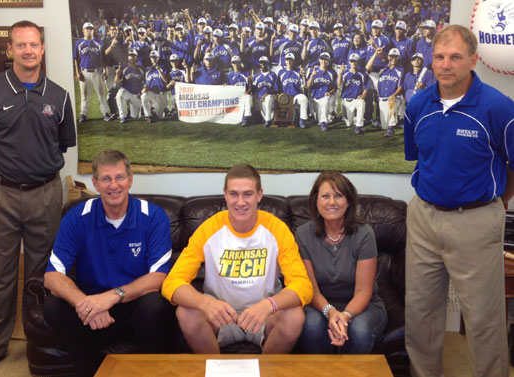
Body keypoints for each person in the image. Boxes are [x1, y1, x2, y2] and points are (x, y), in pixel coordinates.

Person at [0, 20, 76, 377]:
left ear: (43, 49)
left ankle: (38, 338)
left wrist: (31, 174)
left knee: (43, 273)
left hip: (44, 192)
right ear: (9, 50)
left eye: (34, 44)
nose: (29, 51)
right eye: (21, 45)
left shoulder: (59, 96)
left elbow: (59, 145)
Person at [403, 24, 514, 377]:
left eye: (455, 57)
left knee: (483, 319)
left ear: (473, 60)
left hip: (475, 221)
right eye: (439, 57)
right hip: (423, 218)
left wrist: (500, 201)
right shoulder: (418, 104)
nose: (445, 64)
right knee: (421, 315)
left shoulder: (499, 108)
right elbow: (420, 158)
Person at [43, 150, 175, 377]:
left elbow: (159, 278)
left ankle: (149, 372)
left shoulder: (153, 216)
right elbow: (52, 276)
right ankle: (92, 372)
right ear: (95, 183)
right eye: (105, 179)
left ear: (130, 179)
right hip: (91, 311)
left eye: (120, 177)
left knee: (156, 304)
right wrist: (85, 304)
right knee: (52, 306)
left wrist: (111, 297)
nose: (114, 185)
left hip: (135, 308)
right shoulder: (76, 216)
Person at [161, 163, 313, 354]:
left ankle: (267, 371)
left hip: (264, 314)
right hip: (220, 314)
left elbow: (302, 285)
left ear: (259, 195)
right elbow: (172, 282)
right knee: (185, 312)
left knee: (294, 316)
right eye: (234, 194)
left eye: (247, 194)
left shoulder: (277, 229)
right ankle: (215, 370)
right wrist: (205, 303)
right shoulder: (209, 229)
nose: (240, 202)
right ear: (225, 194)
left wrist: (269, 305)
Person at [296, 171, 387, 354]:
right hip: (319, 305)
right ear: (316, 201)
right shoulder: (303, 234)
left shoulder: (364, 234)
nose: (332, 202)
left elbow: (363, 291)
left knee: (359, 331)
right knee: (312, 327)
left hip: (362, 306)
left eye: (339, 196)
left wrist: (344, 316)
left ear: (349, 201)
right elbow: (311, 289)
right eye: (325, 196)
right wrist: (330, 312)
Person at [74, 22, 111, 123]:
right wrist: (77, 72)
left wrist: (106, 70)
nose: (89, 30)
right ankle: (83, 114)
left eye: (91, 29)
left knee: (102, 94)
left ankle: (105, 113)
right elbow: (76, 58)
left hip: (98, 72)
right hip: (84, 72)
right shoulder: (79, 43)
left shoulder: (99, 42)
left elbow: (104, 58)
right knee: (84, 96)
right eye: (87, 29)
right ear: (83, 30)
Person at [366, 47, 404, 137]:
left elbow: (401, 87)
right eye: (392, 56)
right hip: (382, 99)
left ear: (399, 58)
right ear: (388, 57)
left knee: (392, 103)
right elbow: (367, 67)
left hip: (394, 98)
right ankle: (395, 120)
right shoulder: (382, 70)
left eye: (396, 57)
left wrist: (394, 95)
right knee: (384, 126)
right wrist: (376, 54)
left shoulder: (400, 71)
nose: (394, 59)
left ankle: (391, 129)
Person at [337, 53, 370, 135]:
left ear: (358, 62)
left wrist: (363, 95)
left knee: (362, 102)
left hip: (356, 99)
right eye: (352, 61)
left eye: (355, 61)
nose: (353, 63)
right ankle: (353, 118)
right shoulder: (345, 74)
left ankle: (358, 127)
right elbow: (339, 85)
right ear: (349, 62)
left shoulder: (362, 74)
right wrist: (340, 74)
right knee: (349, 123)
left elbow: (367, 87)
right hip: (346, 101)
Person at [306, 52, 337, 131]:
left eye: (326, 59)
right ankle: (323, 118)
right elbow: (308, 86)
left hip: (324, 97)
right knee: (317, 119)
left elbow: (336, 87)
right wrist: (312, 76)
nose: (323, 61)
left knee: (326, 99)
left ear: (329, 61)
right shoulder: (313, 70)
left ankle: (324, 123)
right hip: (314, 98)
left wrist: (330, 93)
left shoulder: (332, 73)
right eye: (322, 59)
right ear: (319, 60)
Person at [115, 50, 144, 123]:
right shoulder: (124, 68)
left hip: (136, 94)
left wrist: (142, 92)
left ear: (137, 58)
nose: (132, 57)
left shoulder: (141, 69)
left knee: (135, 116)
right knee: (119, 95)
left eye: (134, 56)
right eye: (130, 56)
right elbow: (116, 83)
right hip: (127, 91)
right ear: (128, 57)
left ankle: (133, 109)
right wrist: (117, 75)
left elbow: (145, 82)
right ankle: (123, 116)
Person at [252, 56, 279, 127]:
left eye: (264, 62)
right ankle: (263, 118)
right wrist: (249, 81)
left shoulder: (273, 75)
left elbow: (276, 90)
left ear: (268, 63)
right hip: (259, 98)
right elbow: (253, 89)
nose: (262, 64)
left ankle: (268, 120)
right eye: (261, 62)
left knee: (269, 98)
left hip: (270, 97)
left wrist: (267, 94)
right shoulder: (256, 76)